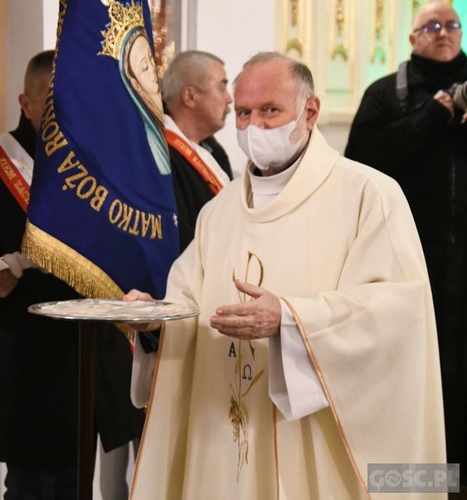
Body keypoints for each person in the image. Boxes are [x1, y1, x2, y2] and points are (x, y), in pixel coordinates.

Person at [126, 52, 445, 499]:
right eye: (243, 112)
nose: (254, 126)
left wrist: (293, 319)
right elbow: (186, 304)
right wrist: (155, 324)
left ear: (310, 112)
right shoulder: (219, 212)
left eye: (270, 111)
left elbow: (400, 312)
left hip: (317, 446)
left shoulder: (369, 194)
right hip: (222, 435)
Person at [0, 50, 144, 499]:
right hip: (31, 366)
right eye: (54, 100)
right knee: (38, 489)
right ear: (27, 102)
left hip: (94, 358)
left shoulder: (103, 166)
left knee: (82, 487)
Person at [345, 2, 467, 487]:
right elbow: (361, 163)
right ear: (412, 38)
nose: (443, 33)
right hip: (413, 260)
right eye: (432, 26)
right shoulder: (386, 95)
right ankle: (417, 484)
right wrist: (432, 117)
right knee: (412, 374)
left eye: (452, 24)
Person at [161, 50, 233, 251]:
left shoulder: (214, 150)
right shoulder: (160, 156)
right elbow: (178, 236)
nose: (229, 99)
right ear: (190, 96)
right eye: (222, 88)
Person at [119, 26, 170, 175]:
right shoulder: (143, 141)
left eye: (151, 58)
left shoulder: (159, 126)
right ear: (135, 84)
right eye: (145, 67)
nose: (153, 69)